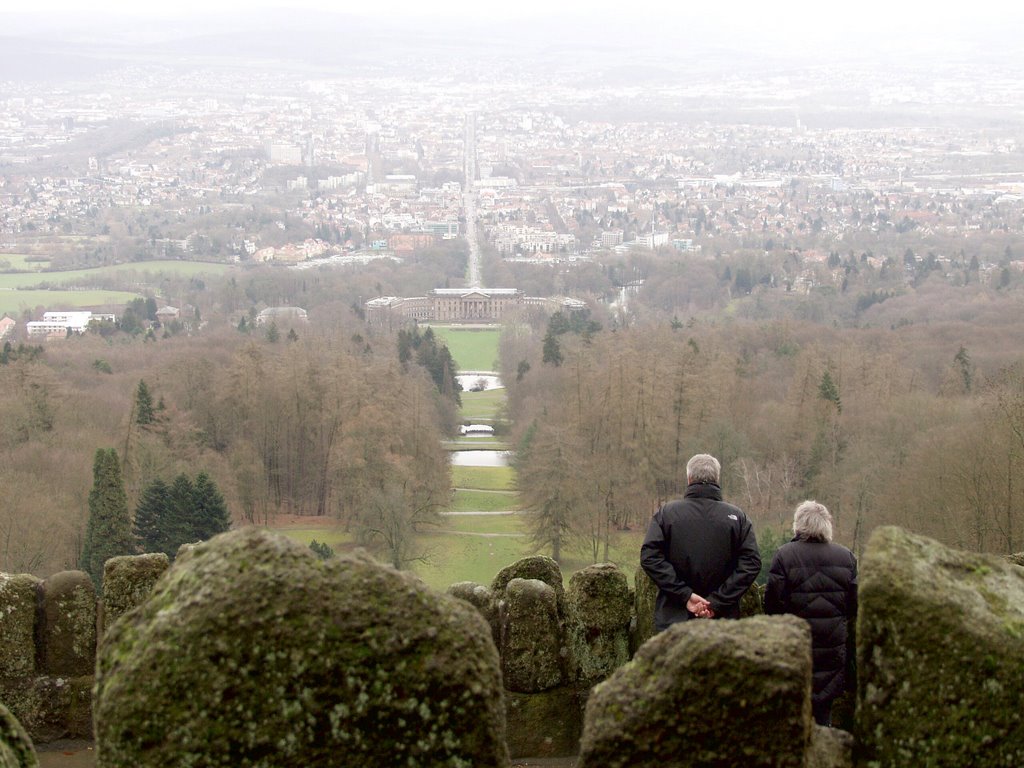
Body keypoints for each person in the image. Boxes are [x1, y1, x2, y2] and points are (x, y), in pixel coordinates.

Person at [641, 453, 761, 631]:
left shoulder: (666, 514)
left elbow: (650, 557)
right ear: (717, 479)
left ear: (689, 478)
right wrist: (717, 601)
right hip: (723, 621)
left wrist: (685, 595)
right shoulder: (737, 518)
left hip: (674, 619)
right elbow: (751, 563)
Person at [764, 500, 858, 727]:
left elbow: (772, 605)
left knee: (792, 712)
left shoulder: (784, 556)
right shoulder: (846, 557)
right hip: (833, 647)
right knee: (824, 710)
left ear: (798, 525)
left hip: (796, 645)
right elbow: (854, 605)